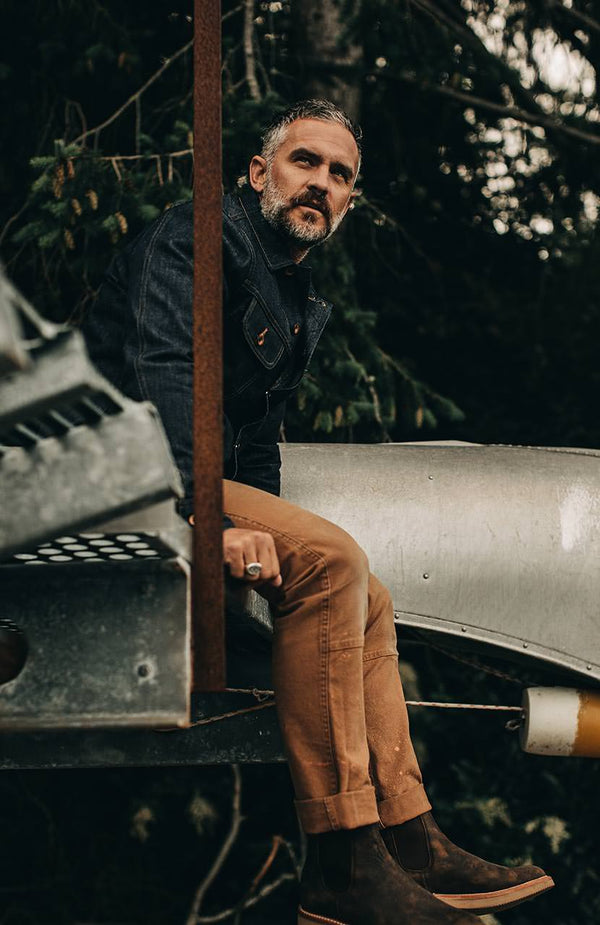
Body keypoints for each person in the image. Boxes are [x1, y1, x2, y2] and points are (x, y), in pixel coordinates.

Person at [84, 99, 554, 925]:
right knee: (335, 559)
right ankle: (340, 861)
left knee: (358, 584)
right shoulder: (196, 238)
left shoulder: (291, 293)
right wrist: (215, 527)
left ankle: (409, 837)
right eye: (306, 162)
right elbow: (161, 385)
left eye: (340, 176)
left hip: (182, 481)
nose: (321, 184)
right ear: (259, 174)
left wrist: (272, 554)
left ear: (347, 202)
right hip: (118, 480)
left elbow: (257, 454)